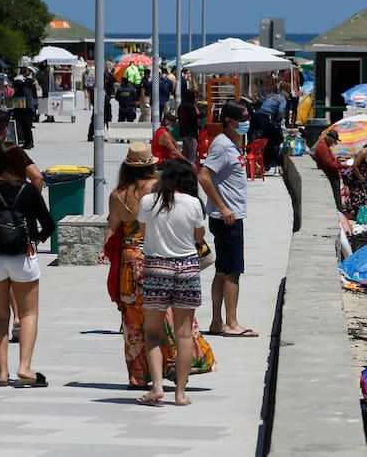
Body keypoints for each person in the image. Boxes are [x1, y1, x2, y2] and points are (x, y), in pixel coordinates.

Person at [100, 143, 216, 389]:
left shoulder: (117, 195)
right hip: (157, 257)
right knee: (172, 316)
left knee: (134, 321)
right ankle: (176, 363)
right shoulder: (158, 189)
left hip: (129, 263)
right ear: (152, 165)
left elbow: (112, 228)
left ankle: (140, 375)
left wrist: (105, 250)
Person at [0, 143, 55, 387]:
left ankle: (1, 373)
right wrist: (37, 238)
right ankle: (25, 367)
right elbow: (49, 224)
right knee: (29, 312)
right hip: (23, 258)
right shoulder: (29, 191)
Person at [136, 158, 209, 406]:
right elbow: (199, 238)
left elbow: (144, 234)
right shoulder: (193, 203)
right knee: (184, 334)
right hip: (187, 267)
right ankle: (180, 393)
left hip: (157, 266)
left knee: (153, 332)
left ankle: (157, 387)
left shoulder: (148, 202)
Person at [0, 112, 43, 343]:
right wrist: (28, 202)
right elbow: (37, 177)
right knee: (13, 271)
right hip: (10, 221)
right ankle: (16, 319)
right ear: (5, 130)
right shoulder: (10, 152)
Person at [198, 102, 258, 338]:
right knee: (233, 271)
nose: (247, 121)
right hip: (227, 217)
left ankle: (216, 322)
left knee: (222, 270)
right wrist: (223, 207)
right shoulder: (223, 145)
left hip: (230, 215)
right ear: (231, 121)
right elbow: (204, 176)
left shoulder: (233, 144)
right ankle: (232, 323)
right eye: (244, 117)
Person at [344, 135, 367, 219]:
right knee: (356, 198)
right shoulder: (364, 152)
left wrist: (366, 180)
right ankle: (350, 214)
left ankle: (357, 215)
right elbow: (354, 166)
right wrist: (361, 178)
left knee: (364, 198)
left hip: (362, 179)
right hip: (354, 178)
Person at [312, 129, 344, 212]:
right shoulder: (323, 147)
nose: (334, 143)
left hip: (332, 176)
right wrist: (342, 165)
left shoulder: (324, 146)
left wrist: (337, 160)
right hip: (331, 176)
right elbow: (329, 164)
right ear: (330, 139)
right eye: (334, 141)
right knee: (336, 198)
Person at [177, 89, 200, 166]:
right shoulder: (190, 106)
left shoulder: (182, 105)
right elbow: (193, 118)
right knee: (192, 155)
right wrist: (202, 116)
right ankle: (191, 171)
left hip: (183, 132)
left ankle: (183, 168)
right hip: (191, 133)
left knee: (185, 152)